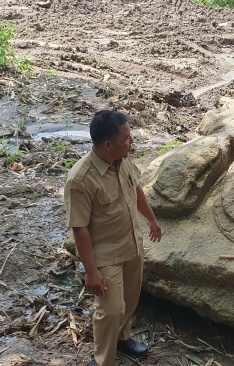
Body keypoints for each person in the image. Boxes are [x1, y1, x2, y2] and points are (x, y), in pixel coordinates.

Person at [64, 110, 162, 366]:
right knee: (110, 309)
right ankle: (103, 360)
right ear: (108, 144)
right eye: (127, 138)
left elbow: (136, 188)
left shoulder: (123, 159)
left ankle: (122, 338)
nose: (131, 142)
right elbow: (80, 228)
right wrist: (91, 271)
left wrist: (151, 219)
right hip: (105, 254)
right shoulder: (81, 179)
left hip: (132, 243)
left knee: (130, 300)